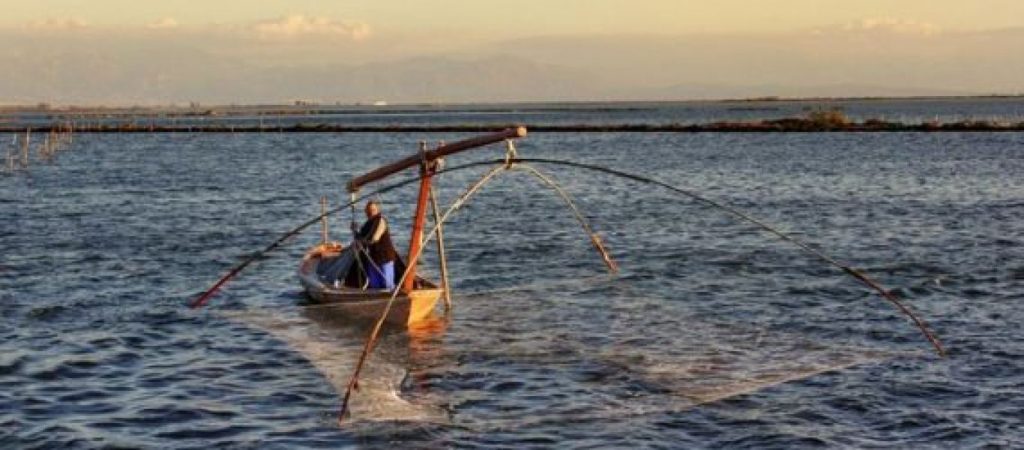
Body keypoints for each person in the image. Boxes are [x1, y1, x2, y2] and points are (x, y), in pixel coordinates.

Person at [352, 200, 399, 290]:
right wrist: (355, 231)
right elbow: (361, 237)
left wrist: (363, 241)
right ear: (366, 212)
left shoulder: (381, 221)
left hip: (385, 257)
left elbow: (374, 238)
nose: (371, 212)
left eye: (373, 210)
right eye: (369, 211)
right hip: (373, 258)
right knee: (374, 284)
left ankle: (390, 297)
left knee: (387, 284)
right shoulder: (367, 224)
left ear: (377, 210)